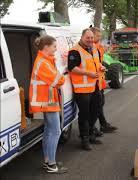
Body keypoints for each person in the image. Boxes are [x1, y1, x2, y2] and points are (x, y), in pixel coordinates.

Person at [29, 35, 67, 173]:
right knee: (55, 131)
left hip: (47, 101)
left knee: (48, 131)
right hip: (47, 102)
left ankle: (48, 161)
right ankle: (51, 164)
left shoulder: (45, 60)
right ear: (46, 47)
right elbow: (59, 81)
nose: (56, 49)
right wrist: (61, 75)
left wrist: (58, 75)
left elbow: (55, 78)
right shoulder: (43, 63)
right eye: (54, 46)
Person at [68, 29, 106, 151]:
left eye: (91, 38)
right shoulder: (75, 51)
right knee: (84, 114)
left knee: (95, 111)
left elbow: (96, 63)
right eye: (87, 38)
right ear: (82, 37)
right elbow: (72, 68)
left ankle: (91, 135)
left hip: (95, 86)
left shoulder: (93, 48)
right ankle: (84, 139)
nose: (90, 40)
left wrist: (101, 67)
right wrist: (88, 73)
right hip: (82, 89)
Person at [90, 27, 118, 135]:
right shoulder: (92, 48)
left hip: (99, 80)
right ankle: (97, 126)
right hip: (94, 81)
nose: (99, 38)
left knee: (100, 103)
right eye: (98, 36)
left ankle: (102, 124)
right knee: (96, 105)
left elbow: (100, 60)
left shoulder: (98, 47)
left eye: (100, 36)